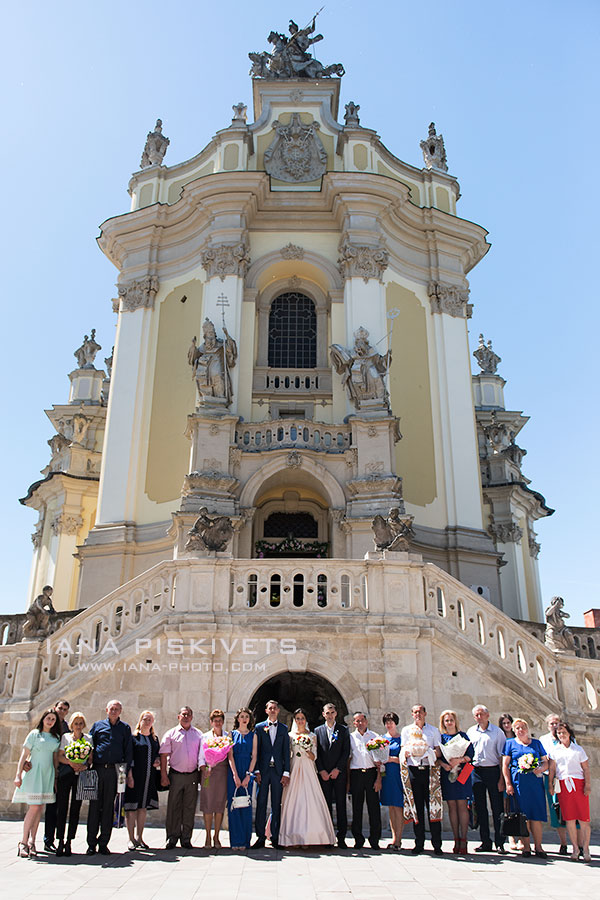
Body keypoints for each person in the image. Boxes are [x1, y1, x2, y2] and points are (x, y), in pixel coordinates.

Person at [279, 708, 335, 847]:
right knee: (294, 801)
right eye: (297, 718)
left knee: (310, 800)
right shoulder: (290, 735)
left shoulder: (312, 736)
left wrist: (307, 749)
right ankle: (293, 837)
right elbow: (287, 754)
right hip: (295, 767)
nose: (300, 720)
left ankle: (310, 837)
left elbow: (314, 756)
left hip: (308, 768)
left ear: (306, 720)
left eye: (302, 718)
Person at [87, 699, 134, 855]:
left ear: (120, 711)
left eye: (117, 709)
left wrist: (127, 773)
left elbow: (128, 751)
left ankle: (103, 842)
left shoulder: (125, 728)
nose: (114, 711)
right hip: (98, 769)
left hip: (115, 771)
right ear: (107, 710)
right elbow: (89, 745)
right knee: (94, 807)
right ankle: (91, 843)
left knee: (109, 807)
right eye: (112, 708)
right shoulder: (98, 726)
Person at [13, 709, 62, 858]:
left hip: (47, 775)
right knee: (33, 807)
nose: (50, 721)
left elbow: (55, 759)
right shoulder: (34, 734)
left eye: (53, 719)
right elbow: (24, 755)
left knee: (40, 808)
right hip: (34, 774)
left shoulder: (56, 738)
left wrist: (55, 778)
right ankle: (23, 842)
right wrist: (18, 775)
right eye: (48, 718)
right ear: (43, 719)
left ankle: (33, 841)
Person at [502, 718, 548, 858]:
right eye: (517, 728)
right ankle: (526, 847)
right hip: (519, 784)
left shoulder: (536, 743)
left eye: (522, 727)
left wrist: (540, 769)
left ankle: (538, 847)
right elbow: (505, 765)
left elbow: (546, 762)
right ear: (514, 730)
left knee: (536, 816)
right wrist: (508, 784)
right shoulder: (510, 744)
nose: (520, 730)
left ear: (527, 729)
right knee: (523, 815)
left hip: (534, 784)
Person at [400, 703, 442, 855]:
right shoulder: (406, 730)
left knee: (433, 808)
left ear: (425, 713)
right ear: (412, 714)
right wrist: (409, 752)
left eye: (420, 712)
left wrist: (427, 753)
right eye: (415, 712)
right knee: (417, 808)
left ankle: (437, 843)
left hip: (430, 771)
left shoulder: (433, 731)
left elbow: (438, 750)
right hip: (414, 771)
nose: (418, 714)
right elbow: (403, 748)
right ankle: (419, 842)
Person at [547, 722, 592, 862]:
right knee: (570, 819)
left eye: (563, 732)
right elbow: (552, 769)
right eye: (559, 733)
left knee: (583, 819)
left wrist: (587, 785)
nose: (561, 735)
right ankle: (575, 848)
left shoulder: (578, 750)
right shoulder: (555, 751)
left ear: (569, 733)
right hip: (563, 785)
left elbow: (585, 769)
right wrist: (550, 784)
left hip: (578, 784)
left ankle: (585, 848)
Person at [159, 706, 202, 850]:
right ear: (178, 717)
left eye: (189, 714)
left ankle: (186, 838)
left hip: (192, 776)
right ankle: (172, 837)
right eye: (183, 714)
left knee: (189, 807)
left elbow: (203, 756)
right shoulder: (171, 734)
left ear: (192, 717)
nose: (186, 717)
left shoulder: (198, 735)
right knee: (174, 807)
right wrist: (164, 775)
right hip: (176, 775)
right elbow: (164, 755)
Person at [467, 704, 506, 853]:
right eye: (476, 715)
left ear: (487, 715)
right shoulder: (471, 732)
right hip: (476, 771)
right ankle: (485, 841)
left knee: (497, 807)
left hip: (493, 771)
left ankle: (500, 841)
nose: (479, 717)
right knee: (480, 807)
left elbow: (502, 757)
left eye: (481, 714)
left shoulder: (497, 732)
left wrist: (502, 779)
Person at [253, 700, 290, 849]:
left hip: (278, 771)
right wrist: (256, 770)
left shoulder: (283, 728)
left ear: (278, 711)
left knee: (277, 804)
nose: (273, 710)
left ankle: (275, 836)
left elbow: (286, 752)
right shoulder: (259, 727)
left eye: (275, 708)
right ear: (266, 710)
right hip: (263, 770)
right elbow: (256, 751)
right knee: (261, 803)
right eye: (270, 708)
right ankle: (260, 837)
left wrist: (286, 772)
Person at [55, 711, 93, 856]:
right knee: (62, 807)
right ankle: (60, 841)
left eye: (80, 723)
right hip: (66, 774)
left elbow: (90, 758)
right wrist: (71, 763)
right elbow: (60, 756)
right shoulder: (66, 738)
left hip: (80, 776)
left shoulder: (88, 739)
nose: (78, 726)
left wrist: (84, 766)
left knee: (75, 809)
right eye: (76, 723)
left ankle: (69, 841)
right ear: (71, 724)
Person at [315, 702, 350, 849]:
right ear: (323, 714)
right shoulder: (317, 731)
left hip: (338, 774)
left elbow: (346, 751)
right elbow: (316, 752)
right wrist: (321, 770)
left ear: (336, 714)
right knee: (325, 805)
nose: (329, 715)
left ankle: (341, 837)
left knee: (341, 805)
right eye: (327, 713)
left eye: (332, 712)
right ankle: (328, 837)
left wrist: (338, 769)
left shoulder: (343, 730)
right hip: (324, 775)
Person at [124, 710, 160, 850]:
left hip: (148, 776)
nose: (147, 722)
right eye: (145, 719)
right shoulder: (134, 738)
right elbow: (129, 757)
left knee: (143, 807)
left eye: (150, 719)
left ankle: (140, 837)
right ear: (140, 721)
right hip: (135, 776)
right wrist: (130, 775)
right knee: (131, 808)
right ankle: (131, 838)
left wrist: (157, 760)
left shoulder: (154, 739)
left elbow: (157, 754)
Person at [439, 710, 474, 854]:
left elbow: (470, 755)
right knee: (452, 806)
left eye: (451, 720)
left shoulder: (463, 736)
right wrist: (445, 765)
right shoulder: (441, 738)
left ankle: (464, 839)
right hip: (448, 774)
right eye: (446, 720)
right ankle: (455, 838)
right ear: (443, 723)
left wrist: (458, 760)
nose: (449, 723)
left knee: (462, 805)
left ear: (455, 721)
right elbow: (438, 756)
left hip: (462, 773)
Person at [349, 711, 382, 849]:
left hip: (371, 773)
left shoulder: (375, 737)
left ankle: (374, 840)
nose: (360, 723)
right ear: (354, 723)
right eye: (357, 721)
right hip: (356, 774)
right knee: (357, 808)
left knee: (374, 808)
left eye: (362, 720)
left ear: (366, 721)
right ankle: (358, 838)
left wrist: (379, 779)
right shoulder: (350, 737)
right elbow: (348, 758)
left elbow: (380, 760)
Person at [227, 707, 257, 850]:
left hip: (247, 772)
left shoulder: (253, 735)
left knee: (245, 805)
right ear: (238, 718)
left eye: (247, 716)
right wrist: (234, 775)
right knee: (233, 806)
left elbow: (254, 756)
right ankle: (235, 841)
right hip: (234, 772)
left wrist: (248, 776)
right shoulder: (231, 734)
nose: (244, 719)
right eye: (242, 716)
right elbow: (230, 756)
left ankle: (245, 840)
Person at [539, 713, 569, 854]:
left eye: (556, 723)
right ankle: (563, 843)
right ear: (547, 725)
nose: (554, 726)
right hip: (550, 778)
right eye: (552, 723)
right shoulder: (543, 739)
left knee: (570, 809)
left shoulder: (565, 737)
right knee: (556, 809)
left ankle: (579, 843)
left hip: (565, 777)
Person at [43, 698, 70, 853]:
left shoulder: (66, 726)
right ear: (55, 707)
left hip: (61, 770)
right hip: (47, 768)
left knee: (59, 806)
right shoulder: (48, 723)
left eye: (65, 710)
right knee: (50, 806)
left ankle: (56, 840)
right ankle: (47, 839)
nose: (62, 711)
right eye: (60, 708)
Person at [199, 709, 229, 849]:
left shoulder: (227, 736)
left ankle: (217, 835)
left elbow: (229, 755)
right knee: (208, 804)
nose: (218, 723)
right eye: (215, 720)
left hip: (222, 773)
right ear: (211, 722)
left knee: (219, 804)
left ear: (223, 722)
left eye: (220, 720)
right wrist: (204, 768)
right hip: (207, 774)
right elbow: (201, 756)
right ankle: (207, 836)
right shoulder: (205, 737)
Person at [379, 712, 404, 851]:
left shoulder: (402, 739)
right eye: (387, 722)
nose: (389, 724)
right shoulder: (382, 739)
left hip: (397, 774)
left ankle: (399, 840)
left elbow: (405, 759)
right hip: (386, 775)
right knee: (391, 807)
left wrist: (390, 759)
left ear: (396, 723)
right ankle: (394, 837)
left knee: (398, 805)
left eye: (391, 722)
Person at [498, 713, 520, 850]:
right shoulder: (501, 739)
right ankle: (511, 837)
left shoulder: (518, 738)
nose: (506, 725)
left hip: (518, 775)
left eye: (508, 723)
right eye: (504, 723)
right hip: (506, 775)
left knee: (519, 806)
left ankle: (523, 836)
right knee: (507, 807)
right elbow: (501, 761)